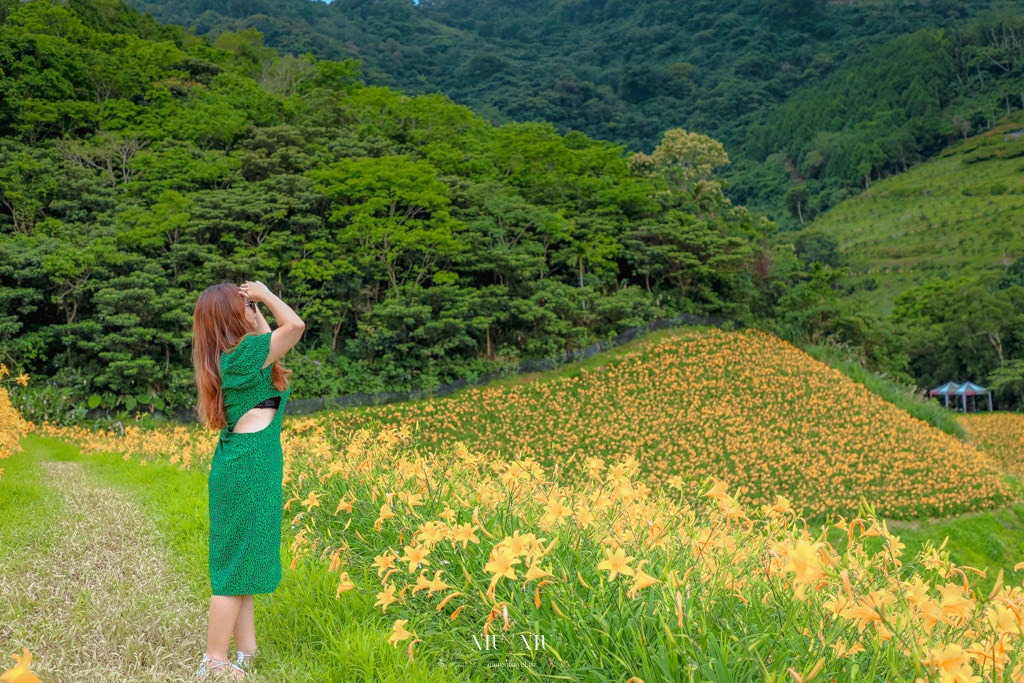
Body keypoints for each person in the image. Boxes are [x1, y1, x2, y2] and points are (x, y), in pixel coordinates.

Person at [190, 280, 305, 678]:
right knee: (234, 570)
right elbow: (294, 327)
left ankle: (248, 653)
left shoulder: (239, 356)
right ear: (229, 314)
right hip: (249, 469)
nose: (251, 307)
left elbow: (274, 340)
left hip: (245, 465)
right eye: (243, 304)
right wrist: (267, 295)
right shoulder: (241, 357)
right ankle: (214, 662)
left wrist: (252, 312)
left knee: (245, 565)